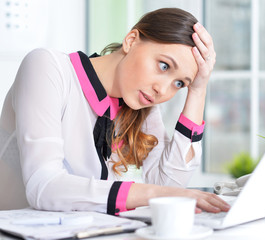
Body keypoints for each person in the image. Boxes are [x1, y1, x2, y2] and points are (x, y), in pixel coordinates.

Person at [0, 7, 230, 215]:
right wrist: (150, 194)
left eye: (179, 84)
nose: (162, 90)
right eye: (163, 66)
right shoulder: (48, 68)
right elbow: (44, 186)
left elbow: (167, 189)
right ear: (131, 40)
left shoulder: (142, 105)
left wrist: (198, 89)